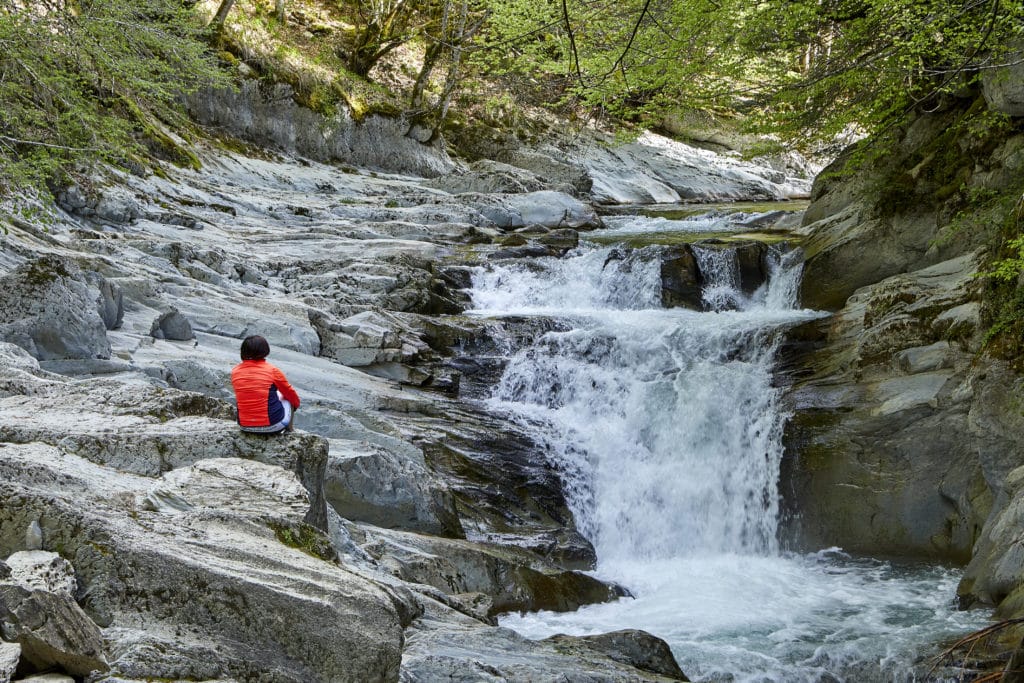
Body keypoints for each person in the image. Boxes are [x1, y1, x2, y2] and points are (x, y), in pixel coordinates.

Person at [230, 335, 300, 434]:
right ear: (265, 350)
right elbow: (291, 395)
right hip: (273, 425)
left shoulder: (235, 371)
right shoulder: (272, 370)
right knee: (286, 395)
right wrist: (295, 406)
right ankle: (290, 431)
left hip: (244, 427)